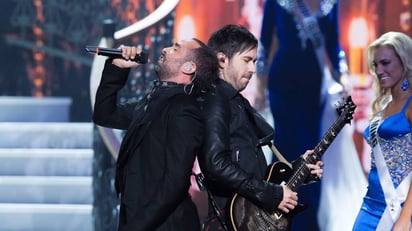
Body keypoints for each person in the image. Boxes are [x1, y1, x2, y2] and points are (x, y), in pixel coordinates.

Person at [197, 24, 324, 231]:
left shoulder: (236, 101)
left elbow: (251, 169)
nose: (253, 69)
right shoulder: (216, 100)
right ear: (222, 60)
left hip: (247, 218)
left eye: (255, 61)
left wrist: (297, 169)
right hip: (228, 221)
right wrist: (272, 194)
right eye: (247, 60)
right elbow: (216, 163)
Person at [256, 1, 366, 230]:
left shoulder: (329, 3)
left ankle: (307, 218)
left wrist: (343, 76)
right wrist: (259, 82)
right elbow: (264, 42)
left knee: (312, 152)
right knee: (285, 147)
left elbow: (333, 44)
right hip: (282, 82)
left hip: (312, 86)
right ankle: (276, 215)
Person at [92, 38, 219, 231]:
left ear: (189, 67)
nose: (166, 49)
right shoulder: (154, 101)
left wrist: (138, 225)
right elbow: (104, 115)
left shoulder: (184, 109)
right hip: (139, 216)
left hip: (162, 224)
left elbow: (175, 181)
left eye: (175, 49)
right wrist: (118, 68)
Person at [352, 31, 412, 231]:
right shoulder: (385, 104)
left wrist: (404, 220)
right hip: (370, 205)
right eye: (376, 65)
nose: (379, 70)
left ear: (404, 61)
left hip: (400, 207)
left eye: (385, 63)